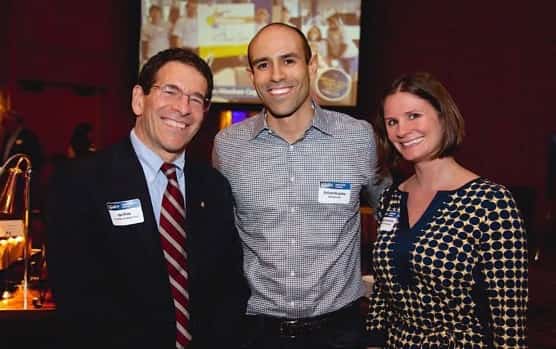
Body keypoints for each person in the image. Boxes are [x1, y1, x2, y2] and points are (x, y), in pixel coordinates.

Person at [46, 48, 249, 348]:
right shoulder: (80, 182)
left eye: (196, 98)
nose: (183, 108)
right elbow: (78, 301)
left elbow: (228, 288)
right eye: (171, 91)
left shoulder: (213, 187)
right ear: (138, 99)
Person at [212, 23, 389, 349]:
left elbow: (392, 218)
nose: (276, 75)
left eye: (289, 60)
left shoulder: (357, 137)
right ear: (252, 77)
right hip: (255, 333)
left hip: (340, 332)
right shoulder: (228, 147)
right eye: (263, 65)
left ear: (312, 65)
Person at [366, 72, 528, 348]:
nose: (402, 131)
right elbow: (382, 293)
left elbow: (508, 317)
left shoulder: (491, 203)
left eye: (413, 116)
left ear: (442, 116)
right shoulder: (391, 199)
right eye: (392, 122)